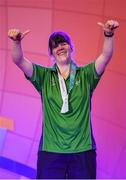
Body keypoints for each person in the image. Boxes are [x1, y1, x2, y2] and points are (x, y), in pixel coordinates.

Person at [8, 20, 119, 179]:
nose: (59, 47)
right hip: (51, 151)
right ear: (51, 53)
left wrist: (109, 34)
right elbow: (19, 60)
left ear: (71, 47)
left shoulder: (86, 74)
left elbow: (106, 55)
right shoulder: (44, 76)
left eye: (63, 43)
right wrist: (17, 42)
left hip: (82, 150)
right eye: (54, 46)